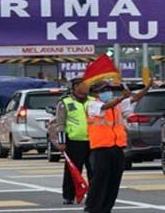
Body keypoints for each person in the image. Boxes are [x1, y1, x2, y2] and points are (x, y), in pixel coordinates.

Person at [84, 79, 152, 213]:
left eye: (107, 89)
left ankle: (106, 208)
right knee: (99, 180)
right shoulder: (92, 104)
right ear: (96, 93)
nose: (107, 92)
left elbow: (135, 98)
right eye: (103, 90)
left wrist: (147, 87)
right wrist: (122, 97)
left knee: (114, 180)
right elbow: (105, 107)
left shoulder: (117, 105)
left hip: (117, 147)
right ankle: (92, 208)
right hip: (101, 148)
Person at [55, 77, 94, 205]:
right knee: (72, 170)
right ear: (75, 87)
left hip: (93, 140)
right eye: (82, 85)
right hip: (74, 141)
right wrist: (61, 142)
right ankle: (69, 195)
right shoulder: (65, 102)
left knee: (94, 169)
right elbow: (60, 123)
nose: (85, 87)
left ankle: (94, 195)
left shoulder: (93, 101)